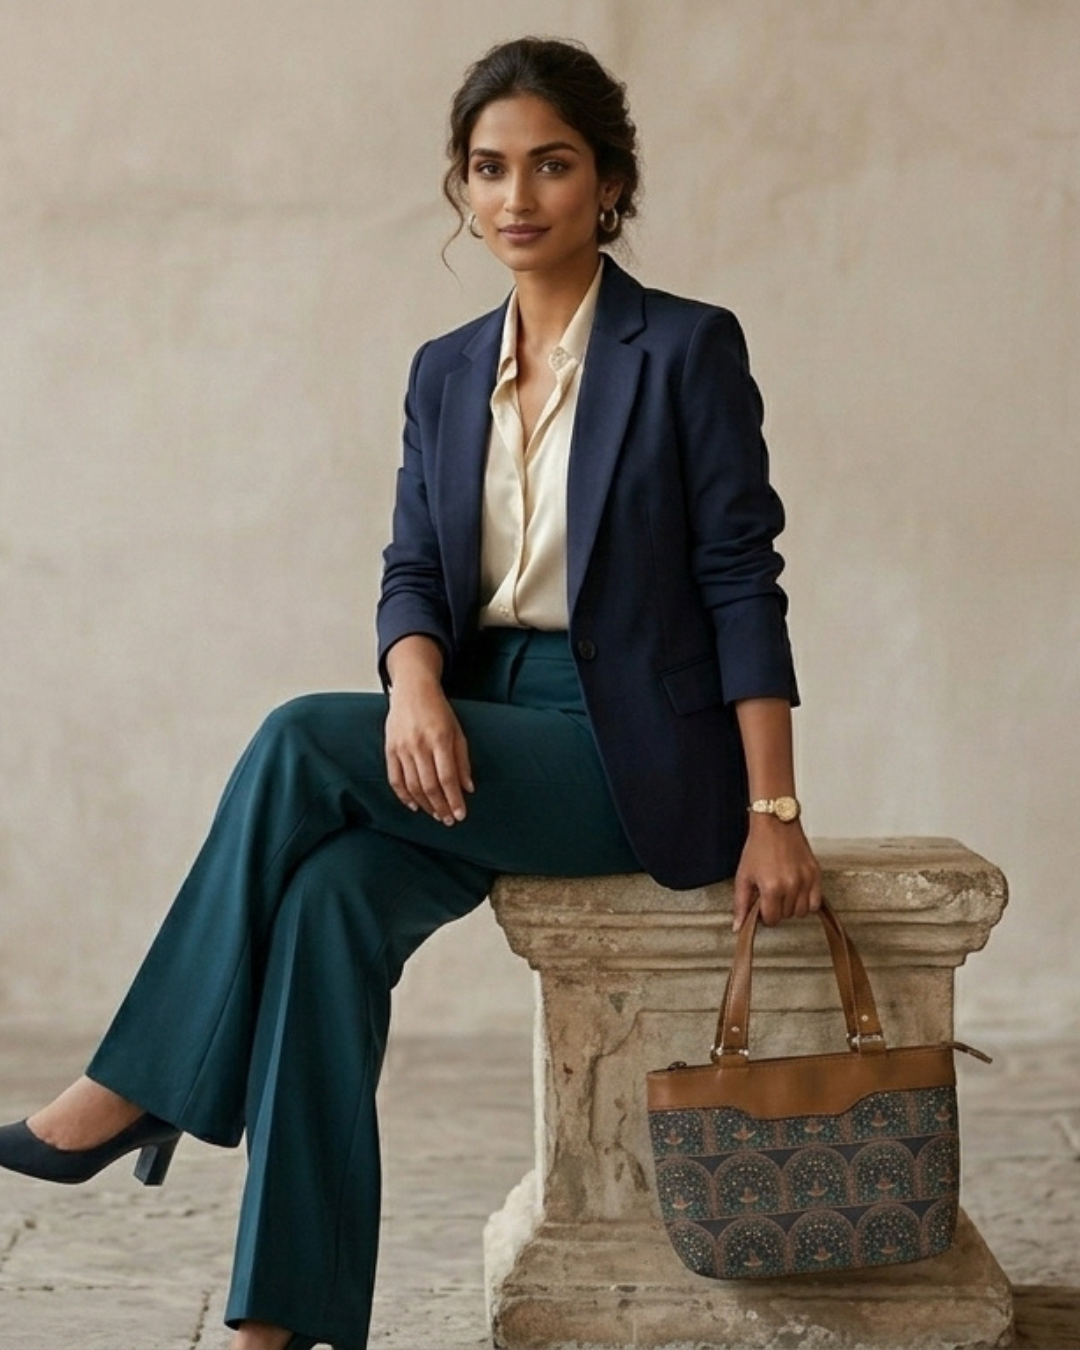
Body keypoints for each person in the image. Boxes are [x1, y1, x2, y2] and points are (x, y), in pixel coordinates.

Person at [0, 35, 821, 1350]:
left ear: (608, 182)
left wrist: (774, 801)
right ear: (461, 186)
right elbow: (413, 570)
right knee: (326, 907)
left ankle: (134, 1083)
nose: (518, 196)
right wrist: (416, 681)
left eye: (552, 164)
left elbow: (741, 582)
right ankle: (284, 1323)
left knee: (288, 740)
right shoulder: (445, 369)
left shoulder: (685, 351)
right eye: (489, 167)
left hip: (623, 755)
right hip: (473, 724)